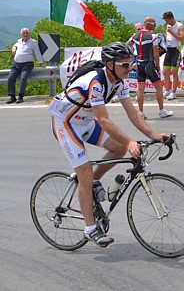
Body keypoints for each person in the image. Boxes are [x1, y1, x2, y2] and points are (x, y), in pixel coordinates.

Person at [48, 42, 169, 247]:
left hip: (84, 121)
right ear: (110, 65)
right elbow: (104, 120)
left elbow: (133, 114)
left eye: (130, 63)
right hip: (66, 122)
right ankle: (90, 229)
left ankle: (91, 184)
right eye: (124, 64)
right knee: (84, 172)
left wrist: (153, 134)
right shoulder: (96, 82)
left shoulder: (120, 82)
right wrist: (130, 141)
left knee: (118, 148)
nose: (129, 68)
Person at [126, 17, 174, 119]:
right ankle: (161, 111)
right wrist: (157, 65)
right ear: (149, 24)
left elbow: (126, 46)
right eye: (154, 24)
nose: (155, 26)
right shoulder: (153, 36)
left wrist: (131, 57)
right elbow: (156, 54)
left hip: (139, 64)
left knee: (140, 89)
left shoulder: (135, 35)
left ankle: (141, 113)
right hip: (149, 64)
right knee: (159, 87)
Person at [6, 27, 45, 104]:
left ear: (29, 34)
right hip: (16, 63)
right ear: (21, 34)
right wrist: (14, 47)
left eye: (27, 33)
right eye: (24, 33)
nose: (25, 34)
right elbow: (16, 45)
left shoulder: (33, 42)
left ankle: (21, 96)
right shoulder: (19, 41)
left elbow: (37, 52)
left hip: (27, 64)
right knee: (10, 78)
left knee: (23, 78)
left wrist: (41, 63)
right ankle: (12, 97)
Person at [161, 11, 184, 100]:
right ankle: (167, 90)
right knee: (165, 72)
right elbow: (166, 35)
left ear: (171, 18)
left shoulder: (180, 26)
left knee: (174, 73)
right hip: (168, 50)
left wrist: (172, 33)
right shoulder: (168, 26)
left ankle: (173, 92)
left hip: (176, 50)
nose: (166, 22)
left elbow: (182, 38)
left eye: (167, 20)